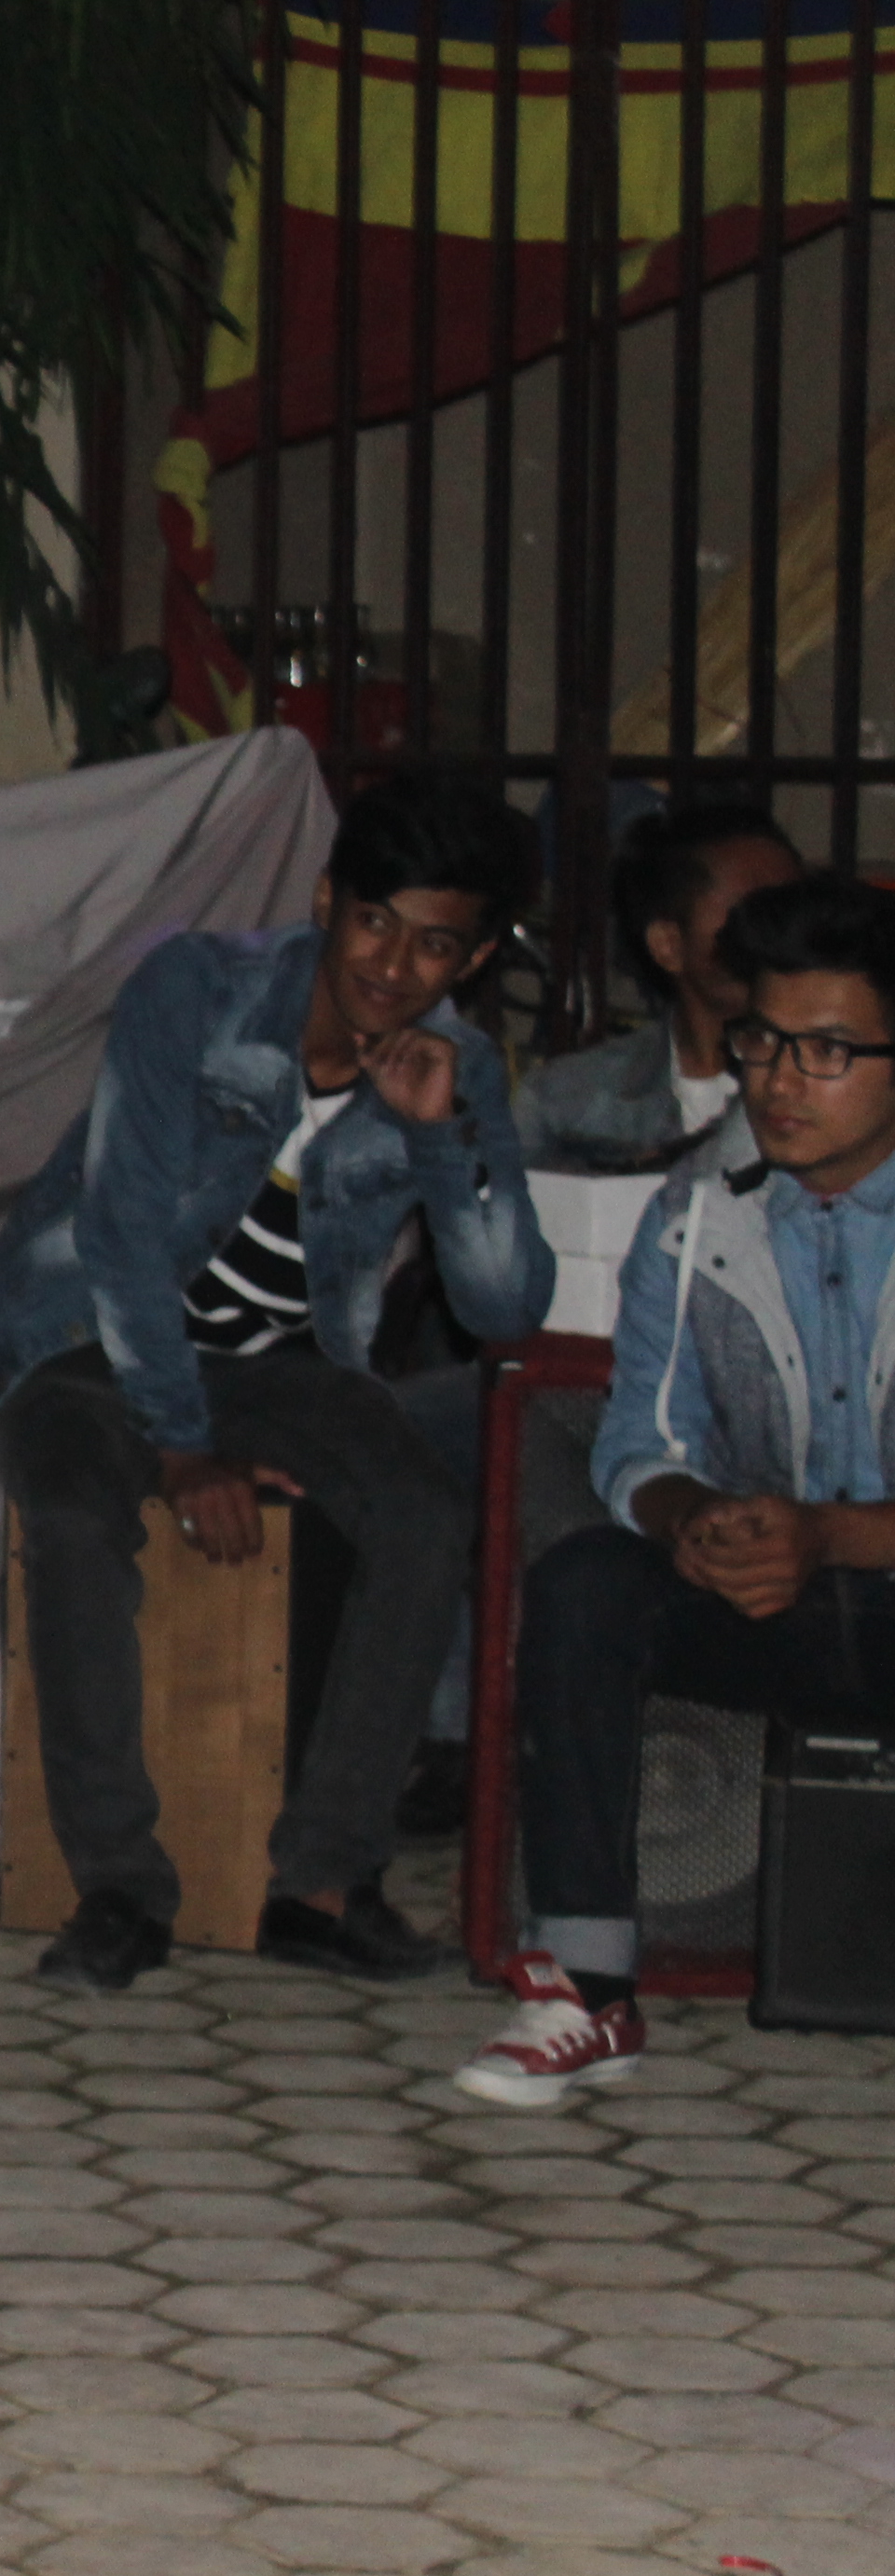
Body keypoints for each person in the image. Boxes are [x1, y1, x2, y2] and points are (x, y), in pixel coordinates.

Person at [0, 772, 550, 1994]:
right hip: (84, 1336)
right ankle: (118, 1888)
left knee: (422, 1510)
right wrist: (183, 1446)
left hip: (279, 1367)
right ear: (328, 899)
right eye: (375, 922)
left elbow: (506, 1311)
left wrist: (442, 1134)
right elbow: (124, 1234)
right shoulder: (197, 988)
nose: (393, 966)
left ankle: (323, 1884)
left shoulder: (458, 1066)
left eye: (435, 944)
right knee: (73, 1511)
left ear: (475, 957)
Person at [463, 874, 895, 2102]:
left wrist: (831, 1534)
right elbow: (636, 1443)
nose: (781, 1081)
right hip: (782, 1598)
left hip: (863, 1564)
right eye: (762, 1042)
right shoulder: (699, 1209)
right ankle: (587, 1988)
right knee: (589, 1585)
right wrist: (691, 1520)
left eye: (828, 1051)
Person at [521, 800, 803, 1173]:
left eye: (797, 913)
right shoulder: (569, 1100)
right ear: (668, 944)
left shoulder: (838, 1091)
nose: (784, 937)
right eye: (753, 916)